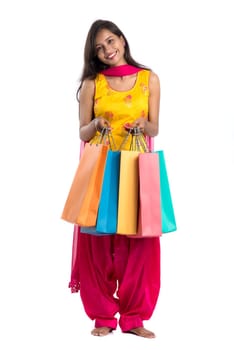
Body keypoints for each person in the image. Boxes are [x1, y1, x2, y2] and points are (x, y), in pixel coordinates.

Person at [68, 19, 161, 338]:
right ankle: (103, 315)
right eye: (99, 47)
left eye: (110, 41)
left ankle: (135, 317)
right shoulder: (93, 83)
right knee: (98, 240)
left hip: (137, 167)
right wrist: (95, 124)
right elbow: (82, 129)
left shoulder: (149, 79)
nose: (108, 49)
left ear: (122, 39)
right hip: (102, 168)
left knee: (139, 242)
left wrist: (142, 125)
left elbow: (154, 127)